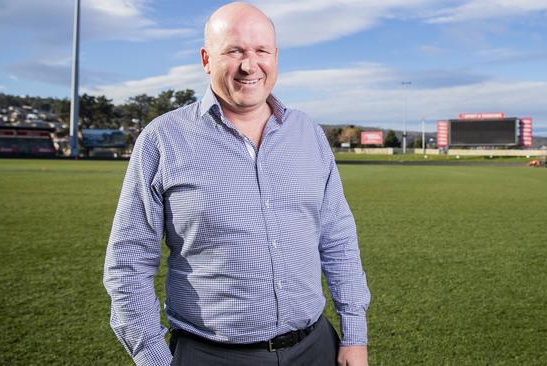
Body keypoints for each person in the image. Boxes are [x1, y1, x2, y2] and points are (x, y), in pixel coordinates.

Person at [103, 2, 370, 366]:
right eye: (234, 51)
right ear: (206, 59)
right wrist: (152, 357)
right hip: (210, 355)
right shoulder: (163, 139)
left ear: (276, 57)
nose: (250, 64)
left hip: (315, 349)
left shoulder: (307, 133)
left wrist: (355, 335)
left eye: (261, 50)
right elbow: (129, 259)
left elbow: (338, 237)